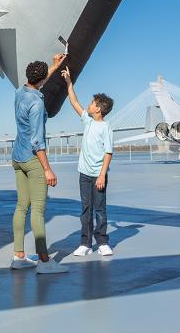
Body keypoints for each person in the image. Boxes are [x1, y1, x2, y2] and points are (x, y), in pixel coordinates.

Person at [10, 53, 67, 274]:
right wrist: (47, 169)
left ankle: (18, 256)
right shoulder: (36, 104)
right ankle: (44, 262)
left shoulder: (19, 93)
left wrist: (53, 67)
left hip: (17, 158)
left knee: (21, 207)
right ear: (42, 80)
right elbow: (37, 141)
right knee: (38, 211)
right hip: (34, 160)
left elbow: (37, 83)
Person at [61, 67, 114, 257]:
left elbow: (108, 153)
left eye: (92, 103)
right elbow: (74, 102)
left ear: (98, 108)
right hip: (84, 173)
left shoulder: (106, 127)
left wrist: (102, 175)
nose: (89, 105)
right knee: (85, 209)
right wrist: (69, 81)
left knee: (100, 209)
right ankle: (85, 243)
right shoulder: (88, 122)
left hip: (98, 176)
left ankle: (102, 242)